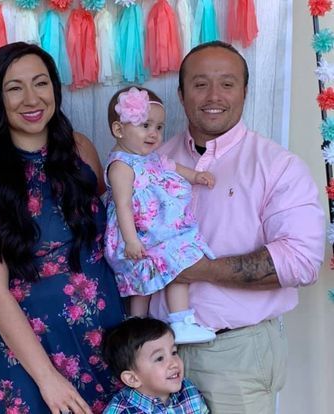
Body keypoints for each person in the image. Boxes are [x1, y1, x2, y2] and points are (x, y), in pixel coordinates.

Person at [0, 42, 125, 414]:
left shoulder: (80, 150)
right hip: (34, 356)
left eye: (40, 83)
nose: (32, 98)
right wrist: (48, 379)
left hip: (105, 343)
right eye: (14, 88)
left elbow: (108, 235)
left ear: (54, 89)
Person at [148, 40, 326, 413]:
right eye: (200, 84)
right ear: (181, 94)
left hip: (234, 353)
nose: (214, 95)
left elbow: (300, 261)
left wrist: (199, 270)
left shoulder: (276, 165)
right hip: (155, 353)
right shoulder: (153, 162)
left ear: (245, 92)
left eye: (227, 84)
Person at [104, 86, 216, 344]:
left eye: (158, 127)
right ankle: (149, 325)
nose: (154, 133)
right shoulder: (121, 166)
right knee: (153, 275)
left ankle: (167, 324)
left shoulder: (151, 158)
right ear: (119, 130)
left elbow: (173, 167)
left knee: (171, 266)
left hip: (157, 232)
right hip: (138, 236)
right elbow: (123, 205)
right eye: (145, 125)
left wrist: (195, 176)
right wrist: (131, 241)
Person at [101, 316, 209, 413]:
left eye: (174, 352)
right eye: (159, 358)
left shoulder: (188, 389)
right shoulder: (122, 411)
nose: (174, 363)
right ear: (132, 379)